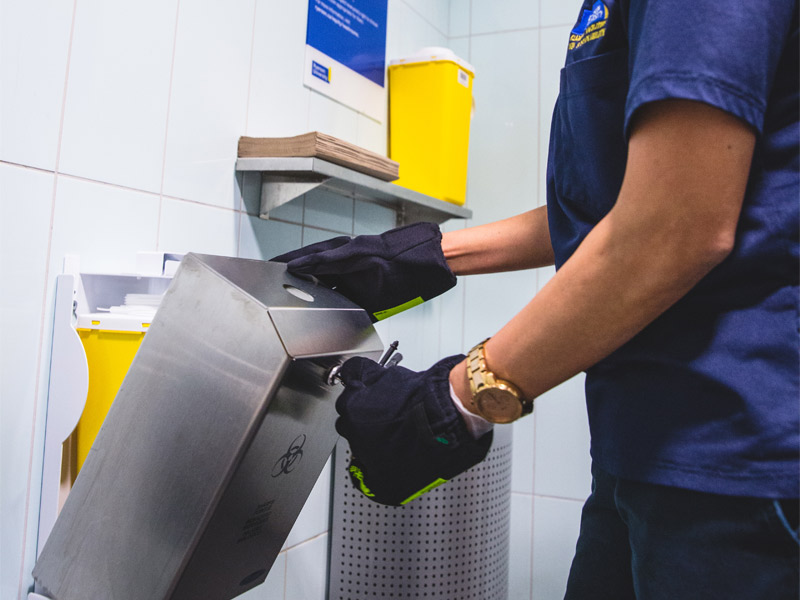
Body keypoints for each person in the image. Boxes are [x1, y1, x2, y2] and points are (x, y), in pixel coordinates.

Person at [274, 0, 799, 596]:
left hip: (740, 459)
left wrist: (455, 399)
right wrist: (421, 258)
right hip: (641, 443)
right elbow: (620, 204)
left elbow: (677, 222)